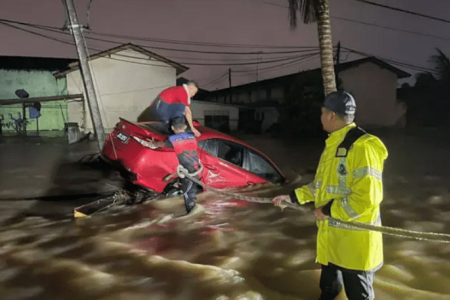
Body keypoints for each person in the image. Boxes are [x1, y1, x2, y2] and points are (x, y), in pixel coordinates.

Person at [273, 90, 388, 300]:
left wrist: (327, 210)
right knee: (328, 291)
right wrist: (292, 197)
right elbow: (321, 186)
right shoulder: (333, 145)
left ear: (331, 115)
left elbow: (367, 199)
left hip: (355, 247)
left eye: (322, 113)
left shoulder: (363, 147)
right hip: (332, 242)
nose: (321, 117)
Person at [150, 116, 203, 215]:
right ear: (185, 127)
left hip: (190, 173)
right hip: (195, 169)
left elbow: (161, 144)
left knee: (189, 196)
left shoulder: (173, 139)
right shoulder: (191, 136)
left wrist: (153, 143)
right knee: (187, 189)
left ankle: (193, 218)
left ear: (173, 128)